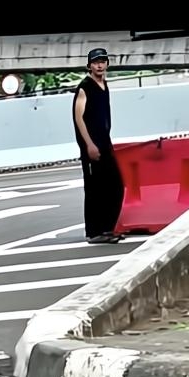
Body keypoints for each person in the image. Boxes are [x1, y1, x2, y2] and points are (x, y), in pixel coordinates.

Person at [72, 48, 125, 244]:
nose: (99, 65)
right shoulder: (85, 87)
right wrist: (89, 144)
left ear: (107, 64)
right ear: (89, 66)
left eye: (102, 61)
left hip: (104, 143)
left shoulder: (104, 84)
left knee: (114, 186)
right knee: (95, 189)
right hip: (92, 145)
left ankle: (107, 228)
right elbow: (79, 118)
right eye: (95, 62)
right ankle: (95, 232)